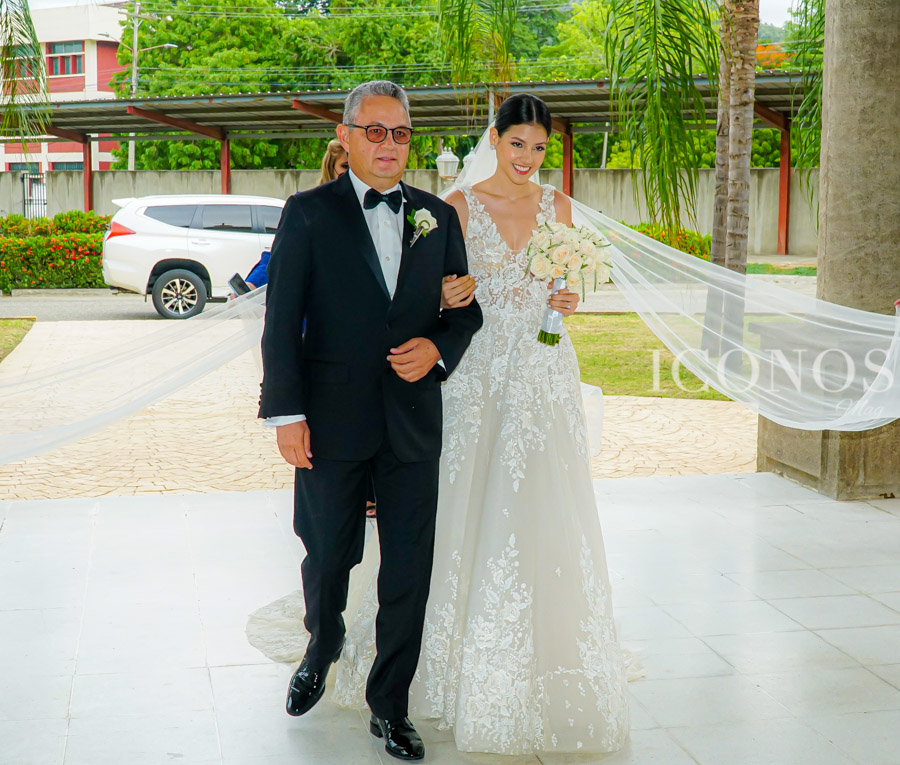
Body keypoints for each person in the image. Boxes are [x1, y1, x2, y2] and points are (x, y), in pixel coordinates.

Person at [331, 93, 630, 756]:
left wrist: (567, 297)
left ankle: (545, 658)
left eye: (539, 148)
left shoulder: (559, 208)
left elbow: (567, 291)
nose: (528, 159)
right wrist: (441, 294)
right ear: (495, 139)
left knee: (542, 510)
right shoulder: (457, 208)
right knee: (457, 508)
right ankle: (429, 669)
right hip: (474, 375)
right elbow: (414, 290)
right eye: (517, 144)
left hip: (544, 375)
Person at [258, 80, 483, 762]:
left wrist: (439, 348)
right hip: (328, 422)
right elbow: (280, 322)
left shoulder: (437, 216)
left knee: (408, 568)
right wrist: (287, 414)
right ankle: (322, 643)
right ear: (349, 137)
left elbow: (464, 312)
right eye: (376, 132)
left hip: (413, 420)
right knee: (329, 553)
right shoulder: (307, 214)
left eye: (401, 133)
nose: (390, 146)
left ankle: (392, 704)